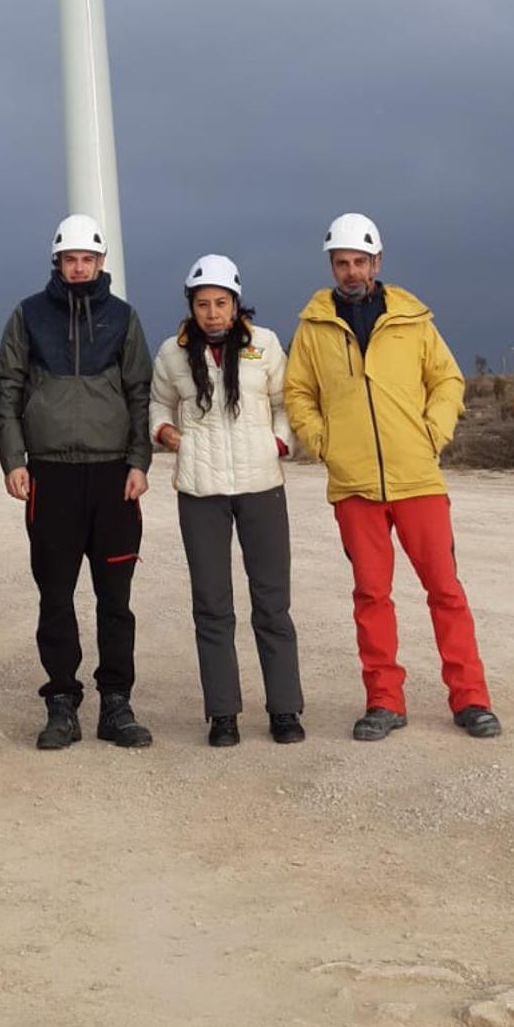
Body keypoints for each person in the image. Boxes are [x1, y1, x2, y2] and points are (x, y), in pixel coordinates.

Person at [284, 213, 501, 743]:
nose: (351, 271)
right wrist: (326, 444)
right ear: (331, 266)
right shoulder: (314, 327)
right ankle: (384, 700)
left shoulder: (412, 319)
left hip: (418, 479)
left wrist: (433, 432)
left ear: (377, 262)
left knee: (445, 590)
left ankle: (470, 698)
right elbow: (297, 394)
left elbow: (447, 379)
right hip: (354, 485)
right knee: (371, 595)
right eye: (342, 263)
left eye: (360, 261)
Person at [0, 213, 154, 751]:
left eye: (88, 259)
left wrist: (139, 461)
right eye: (71, 259)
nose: (80, 267)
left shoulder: (124, 319)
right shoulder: (28, 316)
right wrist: (13, 459)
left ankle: (116, 703)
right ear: (58, 262)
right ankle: (61, 702)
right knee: (55, 596)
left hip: (113, 477)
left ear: (101, 262)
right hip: (51, 475)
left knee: (116, 599)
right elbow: (8, 391)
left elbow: (139, 392)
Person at [151, 254, 304, 747]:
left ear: (237, 303)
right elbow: (157, 401)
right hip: (201, 490)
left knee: (272, 604)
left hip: (261, 485)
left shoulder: (265, 345)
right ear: (190, 307)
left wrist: (279, 444)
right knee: (212, 607)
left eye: (221, 303)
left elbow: (285, 402)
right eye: (202, 304)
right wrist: (164, 430)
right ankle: (223, 713)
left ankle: (285, 709)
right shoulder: (172, 353)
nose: (212, 313)